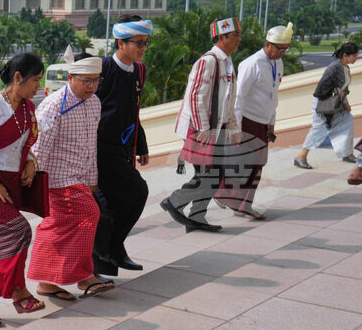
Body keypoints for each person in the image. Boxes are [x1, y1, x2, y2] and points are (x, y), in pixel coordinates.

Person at [27, 56, 113, 300]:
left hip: (80, 176)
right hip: (56, 177)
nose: (91, 86)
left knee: (59, 226)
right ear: (70, 78)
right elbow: (40, 145)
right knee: (89, 213)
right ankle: (85, 277)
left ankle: (46, 282)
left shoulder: (95, 103)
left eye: (96, 80)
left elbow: (91, 143)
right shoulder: (53, 105)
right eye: (86, 81)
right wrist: (37, 181)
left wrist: (92, 176)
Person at [0, 52, 46, 318]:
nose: (38, 86)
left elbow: (24, 145)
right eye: (35, 80)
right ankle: (13, 292)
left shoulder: (28, 107)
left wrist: (30, 162)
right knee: (20, 231)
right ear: (18, 78)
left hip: (13, 181)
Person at [161, 18, 242, 233]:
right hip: (202, 129)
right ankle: (175, 201)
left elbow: (228, 101)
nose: (239, 40)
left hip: (217, 130)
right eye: (235, 36)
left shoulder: (227, 63)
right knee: (209, 174)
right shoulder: (209, 61)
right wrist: (203, 129)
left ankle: (196, 217)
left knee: (212, 175)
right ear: (222, 37)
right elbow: (197, 96)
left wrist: (233, 129)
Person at [92, 16, 152, 276]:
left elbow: (134, 111)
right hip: (98, 150)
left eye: (145, 43)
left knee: (127, 198)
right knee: (132, 193)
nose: (142, 48)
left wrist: (141, 146)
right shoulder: (103, 69)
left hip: (123, 149)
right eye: (137, 42)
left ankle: (113, 252)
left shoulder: (139, 71)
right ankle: (102, 257)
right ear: (120, 42)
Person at [217, 22, 293, 219]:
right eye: (279, 48)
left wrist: (271, 121)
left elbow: (273, 94)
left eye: (286, 49)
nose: (282, 52)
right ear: (268, 44)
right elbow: (238, 98)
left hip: (262, 122)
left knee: (257, 163)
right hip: (247, 120)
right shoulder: (252, 64)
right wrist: (237, 129)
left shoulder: (278, 62)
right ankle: (240, 203)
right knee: (246, 164)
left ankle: (229, 197)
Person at [293, 42, 359, 169]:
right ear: (345, 55)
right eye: (354, 56)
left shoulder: (346, 68)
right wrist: (336, 92)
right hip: (323, 105)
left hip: (335, 105)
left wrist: (346, 103)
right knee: (319, 129)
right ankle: (301, 156)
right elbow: (321, 88)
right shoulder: (335, 67)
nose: (356, 58)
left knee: (348, 119)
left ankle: (347, 153)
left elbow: (343, 89)